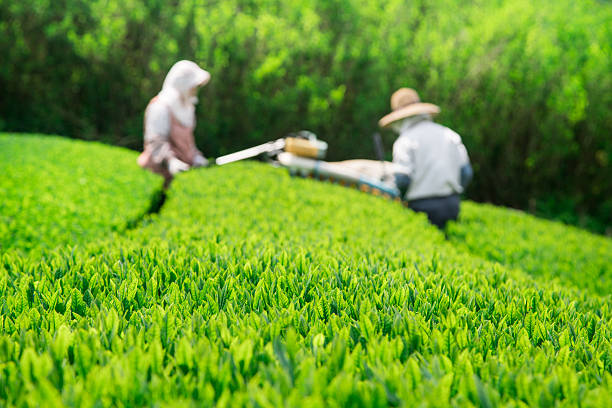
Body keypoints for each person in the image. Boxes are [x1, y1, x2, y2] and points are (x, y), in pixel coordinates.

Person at [379, 87, 473, 229]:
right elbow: (466, 173)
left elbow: (403, 179)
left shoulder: (404, 141)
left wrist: (400, 198)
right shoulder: (449, 135)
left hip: (421, 207)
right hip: (452, 205)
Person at [138, 60, 211, 188]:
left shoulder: (188, 107)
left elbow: (188, 142)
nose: (195, 90)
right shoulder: (160, 107)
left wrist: (196, 157)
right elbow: (155, 142)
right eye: (193, 86)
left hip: (180, 175)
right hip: (157, 173)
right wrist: (171, 161)